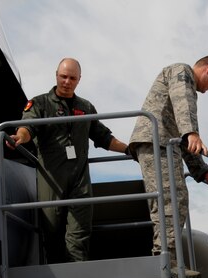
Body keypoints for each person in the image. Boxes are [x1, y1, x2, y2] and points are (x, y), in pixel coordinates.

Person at [8, 58, 128, 264]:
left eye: (72, 78)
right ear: (56, 75)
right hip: (51, 179)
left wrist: (130, 150)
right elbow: (28, 127)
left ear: (79, 80)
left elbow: (103, 137)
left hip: (79, 179)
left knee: (80, 232)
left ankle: (79, 277)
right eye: (63, 76)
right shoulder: (40, 103)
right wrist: (20, 136)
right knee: (52, 231)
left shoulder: (86, 107)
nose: (67, 81)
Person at [128, 55, 208, 267]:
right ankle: (165, 261)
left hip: (165, 143)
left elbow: (183, 139)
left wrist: (201, 171)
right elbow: (183, 101)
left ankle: (167, 258)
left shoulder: (186, 83)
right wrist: (191, 132)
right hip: (156, 143)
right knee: (170, 199)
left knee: (176, 197)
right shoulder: (181, 73)